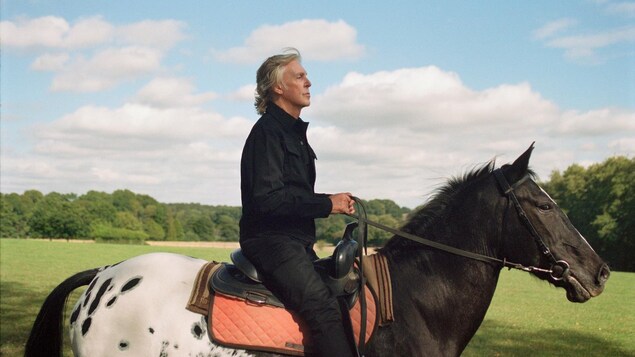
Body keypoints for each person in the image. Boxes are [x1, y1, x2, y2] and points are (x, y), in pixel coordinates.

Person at [239, 48, 357, 357]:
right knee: (323, 310)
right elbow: (266, 200)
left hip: (295, 242)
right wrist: (326, 205)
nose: (309, 82)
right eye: (300, 76)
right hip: (270, 241)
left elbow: (293, 194)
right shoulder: (266, 133)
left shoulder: (295, 135)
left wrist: (333, 202)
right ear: (278, 87)